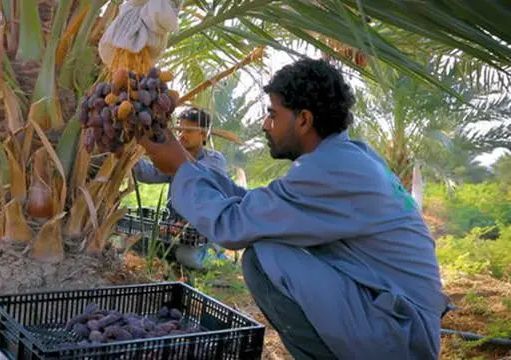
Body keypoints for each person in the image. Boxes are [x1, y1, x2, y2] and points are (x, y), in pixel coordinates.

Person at [137, 58, 450, 359]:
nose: (265, 125)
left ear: (304, 120)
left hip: (402, 336)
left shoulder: (333, 169)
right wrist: (186, 163)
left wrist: (180, 168)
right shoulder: (349, 157)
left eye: (273, 114)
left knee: (264, 257)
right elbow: (256, 207)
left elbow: (234, 226)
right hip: (395, 319)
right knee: (267, 238)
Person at [132, 107, 229, 269]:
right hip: (175, 230)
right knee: (138, 241)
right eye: (180, 130)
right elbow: (149, 174)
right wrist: (130, 158)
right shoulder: (177, 160)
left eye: (188, 131)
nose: (181, 135)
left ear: (204, 134)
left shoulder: (214, 160)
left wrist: (184, 223)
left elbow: (197, 176)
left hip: (202, 233)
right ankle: (174, 254)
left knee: (187, 257)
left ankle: (217, 256)